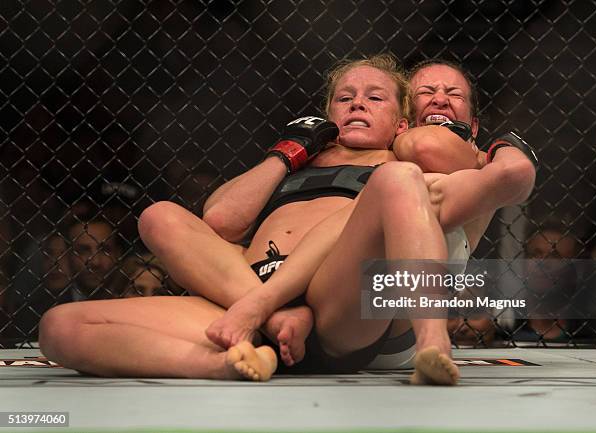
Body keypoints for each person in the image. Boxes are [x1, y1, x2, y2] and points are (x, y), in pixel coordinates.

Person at [39, 54, 535, 384]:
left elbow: (458, 166)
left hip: (334, 306)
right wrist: (290, 152)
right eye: (344, 98)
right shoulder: (296, 161)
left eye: (374, 97)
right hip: (248, 300)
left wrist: (490, 145)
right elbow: (220, 221)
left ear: (400, 122)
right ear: (325, 115)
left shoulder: (401, 164)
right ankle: (229, 364)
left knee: (398, 180)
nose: (357, 101)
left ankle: (434, 346)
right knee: (71, 316)